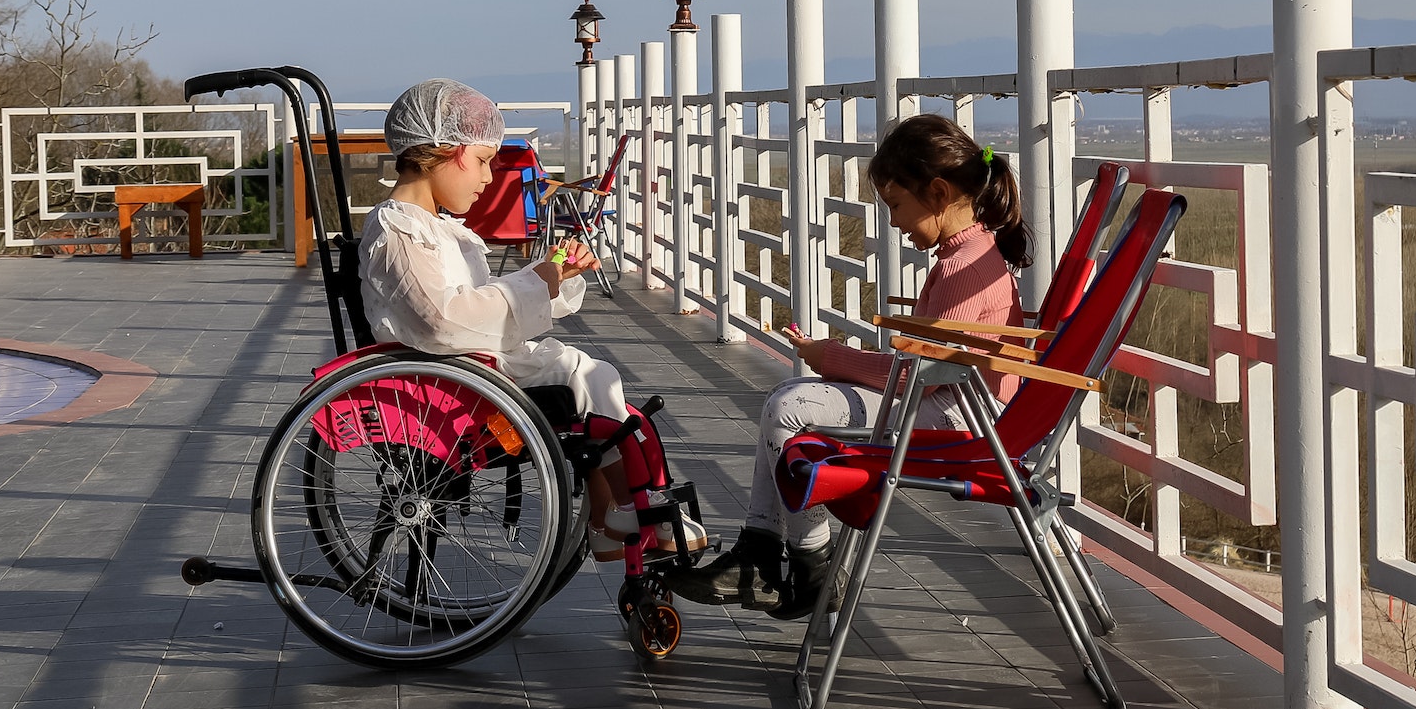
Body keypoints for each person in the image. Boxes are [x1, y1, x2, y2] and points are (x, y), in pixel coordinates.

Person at [669, 113, 1030, 618]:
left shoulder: (963, 270)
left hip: (959, 421)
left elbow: (913, 379)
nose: (895, 221)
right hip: (956, 407)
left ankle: (798, 561)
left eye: (897, 205)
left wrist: (828, 358)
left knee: (790, 406)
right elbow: (921, 369)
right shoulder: (969, 256)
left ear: (940, 193)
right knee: (787, 402)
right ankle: (772, 554)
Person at [357, 78, 703, 558]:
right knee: (587, 380)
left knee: (596, 385)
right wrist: (540, 278)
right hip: (451, 384)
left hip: (468, 368)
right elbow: (441, 321)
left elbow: (470, 307)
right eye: (480, 161)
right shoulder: (399, 229)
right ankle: (625, 509)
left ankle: (617, 512)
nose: (486, 178)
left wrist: (552, 277)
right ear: (445, 150)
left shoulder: (430, 227)